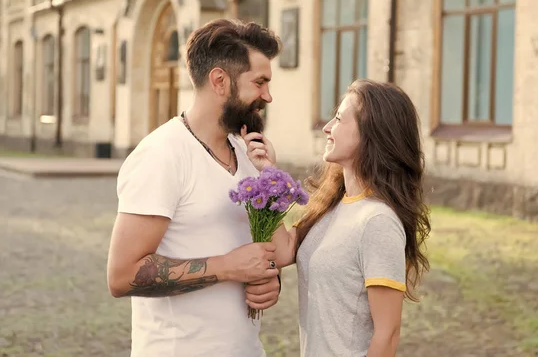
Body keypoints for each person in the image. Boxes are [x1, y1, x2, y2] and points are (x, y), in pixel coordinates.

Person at [106, 19, 283, 357]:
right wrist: (228, 267)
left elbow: (281, 252)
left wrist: (269, 280)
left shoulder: (249, 153)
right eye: (259, 82)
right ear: (220, 81)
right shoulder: (162, 154)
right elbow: (122, 275)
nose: (268, 96)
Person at [271, 79, 431, 357]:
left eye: (338, 119)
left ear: (372, 133)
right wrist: (266, 176)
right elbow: (282, 251)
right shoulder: (330, 205)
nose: (327, 128)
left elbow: (388, 334)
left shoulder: (378, 221)